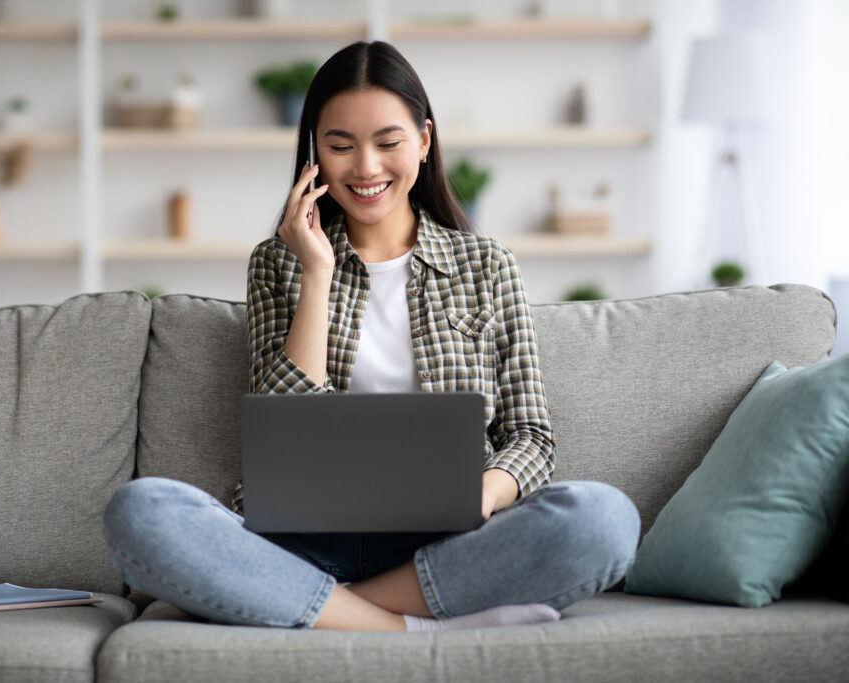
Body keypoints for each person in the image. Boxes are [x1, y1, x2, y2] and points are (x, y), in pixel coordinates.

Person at [103, 40, 640, 632]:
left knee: (603, 517)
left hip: (444, 544)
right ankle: (411, 625)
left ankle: (313, 605)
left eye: (388, 143)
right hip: (296, 542)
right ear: (313, 153)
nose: (365, 168)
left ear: (425, 141)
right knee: (141, 511)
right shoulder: (278, 263)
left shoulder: (487, 265)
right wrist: (316, 274)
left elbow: (531, 436)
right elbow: (283, 436)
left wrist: (479, 496)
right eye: (340, 146)